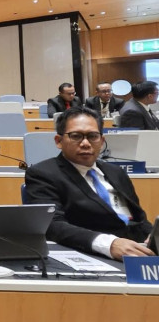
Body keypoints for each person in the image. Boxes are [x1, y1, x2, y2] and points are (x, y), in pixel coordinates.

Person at [24, 107, 153, 260]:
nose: (85, 143)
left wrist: (152, 236)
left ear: (102, 141)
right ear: (59, 141)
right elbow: (52, 225)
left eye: (93, 136)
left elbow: (138, 218)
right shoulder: (43, 173)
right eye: (76, 136)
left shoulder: (116, 172)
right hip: (94, 254)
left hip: (138, 250)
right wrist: (109, 244)